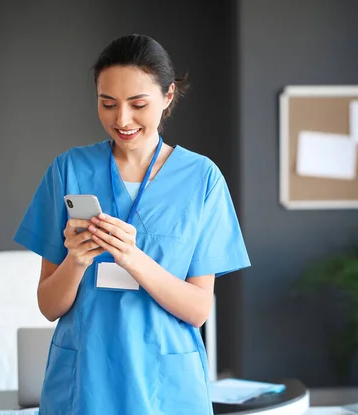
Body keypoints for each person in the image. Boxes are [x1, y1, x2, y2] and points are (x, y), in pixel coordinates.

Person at [13, 34, 250, 415]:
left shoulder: (202, 179)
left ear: (168, 97)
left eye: (138, 104)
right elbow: (48, 306)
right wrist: (75, 260)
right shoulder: (68, 170)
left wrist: (132, 257)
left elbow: (198, 309)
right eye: (108, 104)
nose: (122, 119)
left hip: (166, 386)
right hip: (85, 381)